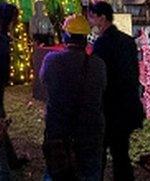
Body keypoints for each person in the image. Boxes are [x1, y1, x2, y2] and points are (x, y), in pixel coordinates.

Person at [39, 14, 106, 181]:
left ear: (65, 35)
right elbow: (102, 89)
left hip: (59, 129)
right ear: (86, 38)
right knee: (90, 173)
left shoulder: (51, 60)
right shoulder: (98, 64)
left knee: (57, 172)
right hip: (90, 130)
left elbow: (43, 80)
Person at [88, 2, 143, 181]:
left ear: (102, 18)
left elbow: (99, 77)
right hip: (127, 105)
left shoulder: (102, 44)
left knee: (100, 152)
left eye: (92, 17)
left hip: (109, 107)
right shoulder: (127, 41)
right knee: (121, 153)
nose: (91, 21)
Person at [0, 3, 26, 180]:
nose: (16, 21)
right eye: (14, 18)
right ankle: (3, 172)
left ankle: (10, 163)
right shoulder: (0, 40)